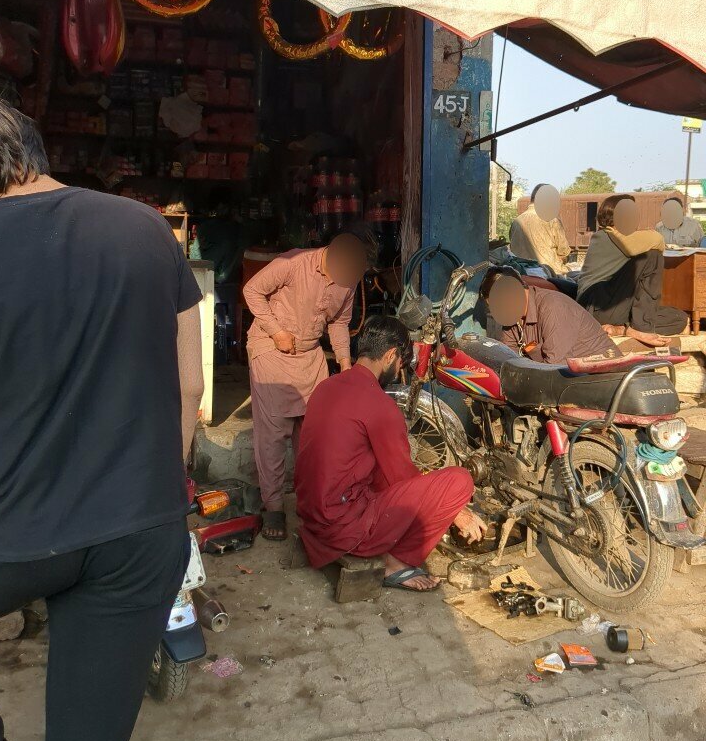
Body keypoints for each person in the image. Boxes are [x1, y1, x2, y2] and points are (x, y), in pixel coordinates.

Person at [0, 89, 204, 741]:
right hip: (136, 533)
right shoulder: (145, 229)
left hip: (5, 531)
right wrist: (156, 503)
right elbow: (192, 387)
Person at [295, 316, 485, 592]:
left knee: (379, 469)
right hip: (342, 527)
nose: (398, 372)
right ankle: (394, 563)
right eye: (400, 364)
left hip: (311, 517)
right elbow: (401, 478)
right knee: (460, 481)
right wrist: (458, 512)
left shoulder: (325, 387)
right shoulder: (380, 405)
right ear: (390, 355)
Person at [243, 232, 371, 541]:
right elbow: (252, 290)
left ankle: (310, 500)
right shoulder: (294, 262)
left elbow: (339, 322)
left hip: (311, 355)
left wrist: (344, 363)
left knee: (314, 433)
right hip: (272, 349)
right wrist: (275, 331)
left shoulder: (349, 278)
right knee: (274, 435)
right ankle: (273, 506)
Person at [577, 194, 688, 346]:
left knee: (679, 318)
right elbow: (658, 240)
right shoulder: (606, 235)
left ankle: (622, 329)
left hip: (613, 310)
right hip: (597, 306)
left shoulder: (616, 236)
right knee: (652, 256)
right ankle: (642, 327)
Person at [480, 266, 620, 364]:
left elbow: (554, 368)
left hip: (600, 381)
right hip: (565, 380)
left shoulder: (553, 306)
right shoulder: (513, 318)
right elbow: (508, 359)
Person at [509, 183, 571, 276]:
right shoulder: (552, 220)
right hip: (550, 274)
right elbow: (563, 252)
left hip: (521, 274)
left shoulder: (516, 221)